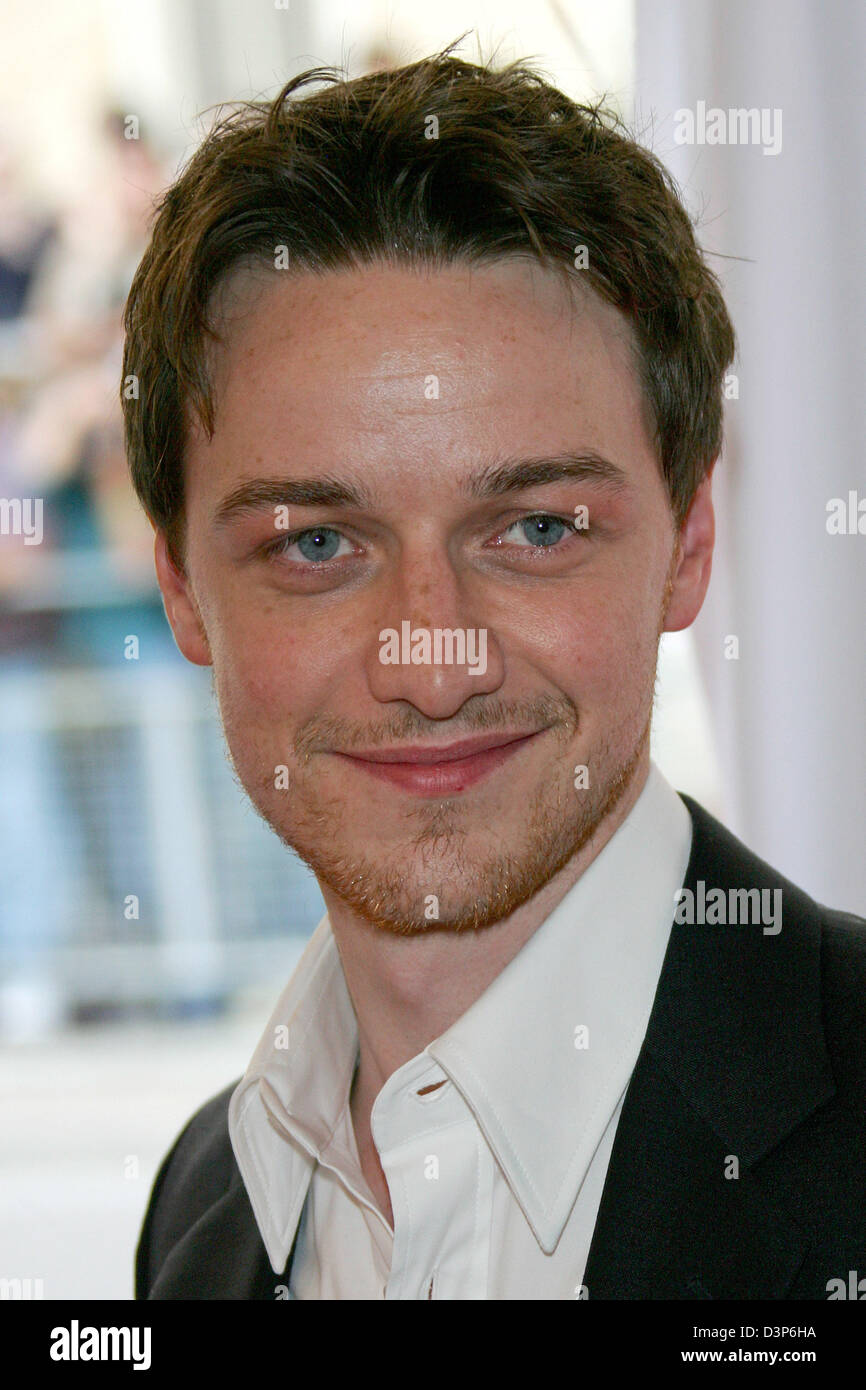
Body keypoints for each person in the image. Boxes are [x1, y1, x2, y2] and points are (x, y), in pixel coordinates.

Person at [123, 46, 866, 1300]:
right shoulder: (204, 1203)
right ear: (184, 591)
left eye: (533, 529)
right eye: (316, 543)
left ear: (688, 546)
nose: (431, 662)